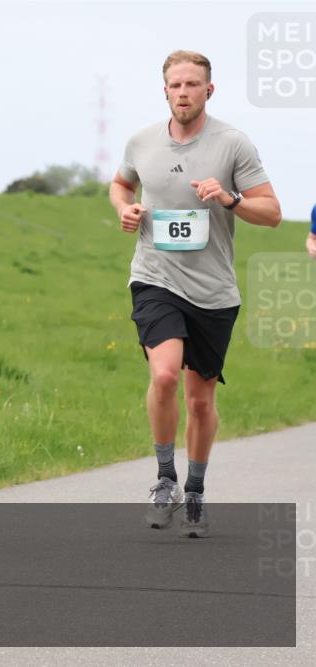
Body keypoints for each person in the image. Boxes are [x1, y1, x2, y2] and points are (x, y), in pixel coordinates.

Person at [110, 50, 281, 538]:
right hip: (155, 277)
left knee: (200, 401)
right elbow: (121, 184)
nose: (183, 92)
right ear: (164, 90)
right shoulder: (141, 141)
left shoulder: (233, 144)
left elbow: (271, 212)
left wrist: (230, 199)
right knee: (163, 375)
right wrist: (125, 209)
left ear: (210, 90)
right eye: (175, 85)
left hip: (213, 291)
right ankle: (165, 478)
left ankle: (196, 492)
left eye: (192, 85)